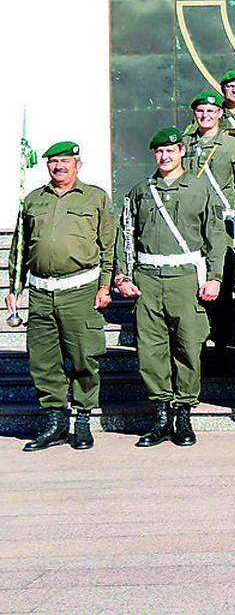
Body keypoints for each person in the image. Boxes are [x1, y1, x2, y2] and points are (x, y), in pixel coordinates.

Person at [114, 127, 227, 448]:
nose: (165, 157)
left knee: (188, 347)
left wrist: (215, 277)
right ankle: (161, 414)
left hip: (185, 277)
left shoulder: (199, 188)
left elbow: (215, 237)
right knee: (151, 350)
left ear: (181, 151)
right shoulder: (140, 191)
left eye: (171, 151)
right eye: (159, 152)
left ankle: (183, 414)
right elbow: (126, 234)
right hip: (148, 277)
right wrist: (122, 275)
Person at [7, 141, 115, 451]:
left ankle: (82, 420)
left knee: (84, 356)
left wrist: (105, 285)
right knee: (43, 361)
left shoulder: (95, 197)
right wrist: (15, 289)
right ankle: (55, 422)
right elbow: (20, 247)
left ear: (77, 165)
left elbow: (108, 245)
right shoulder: (32, 200)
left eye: (65, 161)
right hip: (41, 292)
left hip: (79, 290)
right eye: (53, 162)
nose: (59, 167)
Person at [181, 90, 235, 373]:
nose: (205, 116)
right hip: (190, 227)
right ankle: (196, 347)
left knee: (220, 286)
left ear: (220, 114)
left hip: (222, 226)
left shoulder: (233, 146)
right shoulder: (185, 144)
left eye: (211, 112)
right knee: (192, 287)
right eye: (200, 111)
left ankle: (222, 347)